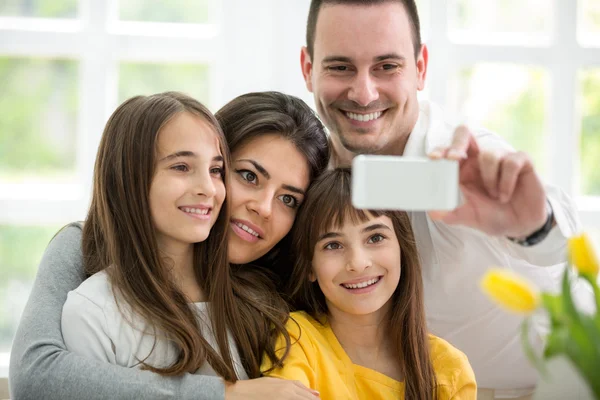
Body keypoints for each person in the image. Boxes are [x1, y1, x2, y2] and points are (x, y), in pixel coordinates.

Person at [299, 1, 581, 399]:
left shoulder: (461, 162)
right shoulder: (308, 176)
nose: (364, 93)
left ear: (421, 67)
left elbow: (570, 249)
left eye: (387, 66)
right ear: (308, 69)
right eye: (340, 67)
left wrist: (532, 227)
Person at [9, 91, 328, 400]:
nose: (265, 208)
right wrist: (225, 394)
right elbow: (37, 376)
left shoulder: (279, 300)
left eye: (289, 199)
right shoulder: (88, 274)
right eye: (247, 175)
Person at [263, 168, 477, 399]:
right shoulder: (295, 339)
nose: (357, 263)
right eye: (333, 245)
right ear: (309, 267)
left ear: (402, 249)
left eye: (375, 238)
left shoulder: (450, 369)